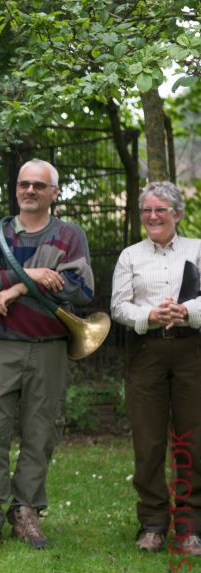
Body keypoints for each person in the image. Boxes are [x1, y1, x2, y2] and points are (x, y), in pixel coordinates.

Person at [0, 158, 94, 548]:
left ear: (55, 192)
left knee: (41, 434)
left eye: (40, 185)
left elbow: (80, 289)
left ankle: (26, 512)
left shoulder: (70, 235)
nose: (30, 191)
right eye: (24, 184)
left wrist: (17, 288)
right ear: (16, 188)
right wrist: (34, 275)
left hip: (49, 348)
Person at [111, 181, 201, 554]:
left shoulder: (197, 249)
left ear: (177, 214)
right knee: (148, 442)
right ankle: (152, 523)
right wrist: (149, 314)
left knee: (193, 439)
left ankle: (191, 526)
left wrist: (186, 311)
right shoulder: (130, 256)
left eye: (160, 210)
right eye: (147, 210)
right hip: (146, 351)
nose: (152, 216)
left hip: (191, 351)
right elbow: (118, 306)